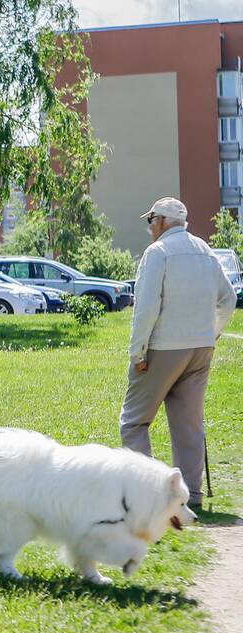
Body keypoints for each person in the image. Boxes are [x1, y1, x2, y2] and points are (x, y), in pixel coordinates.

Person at [120, 196, 236, 510]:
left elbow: (145, 309)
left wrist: (138, 352)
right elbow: (228, 300)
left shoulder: (158, 253)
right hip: (201, 348)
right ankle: (191, 498)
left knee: (133, 423)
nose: (149, 228)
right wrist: (211, 333)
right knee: (189, 426)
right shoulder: (205, 251)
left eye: (150, 221)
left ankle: (148, 497)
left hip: (164, 348)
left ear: (161, 221)